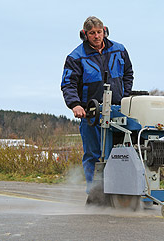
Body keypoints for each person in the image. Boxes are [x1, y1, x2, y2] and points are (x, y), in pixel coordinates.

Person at [61, 16, 134, 193]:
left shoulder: (119, 50)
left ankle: (121, 191)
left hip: (117, 110)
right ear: (85, 34)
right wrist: (75, 105)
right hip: (91, 113)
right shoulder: (76, 57)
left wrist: (125, 98)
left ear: (105, 31)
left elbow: (128, 74)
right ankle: (94, 193)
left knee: (122, 152)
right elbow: (68, 84)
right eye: (92, 33)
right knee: (93, 154)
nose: (96, 36)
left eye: (99, 32)